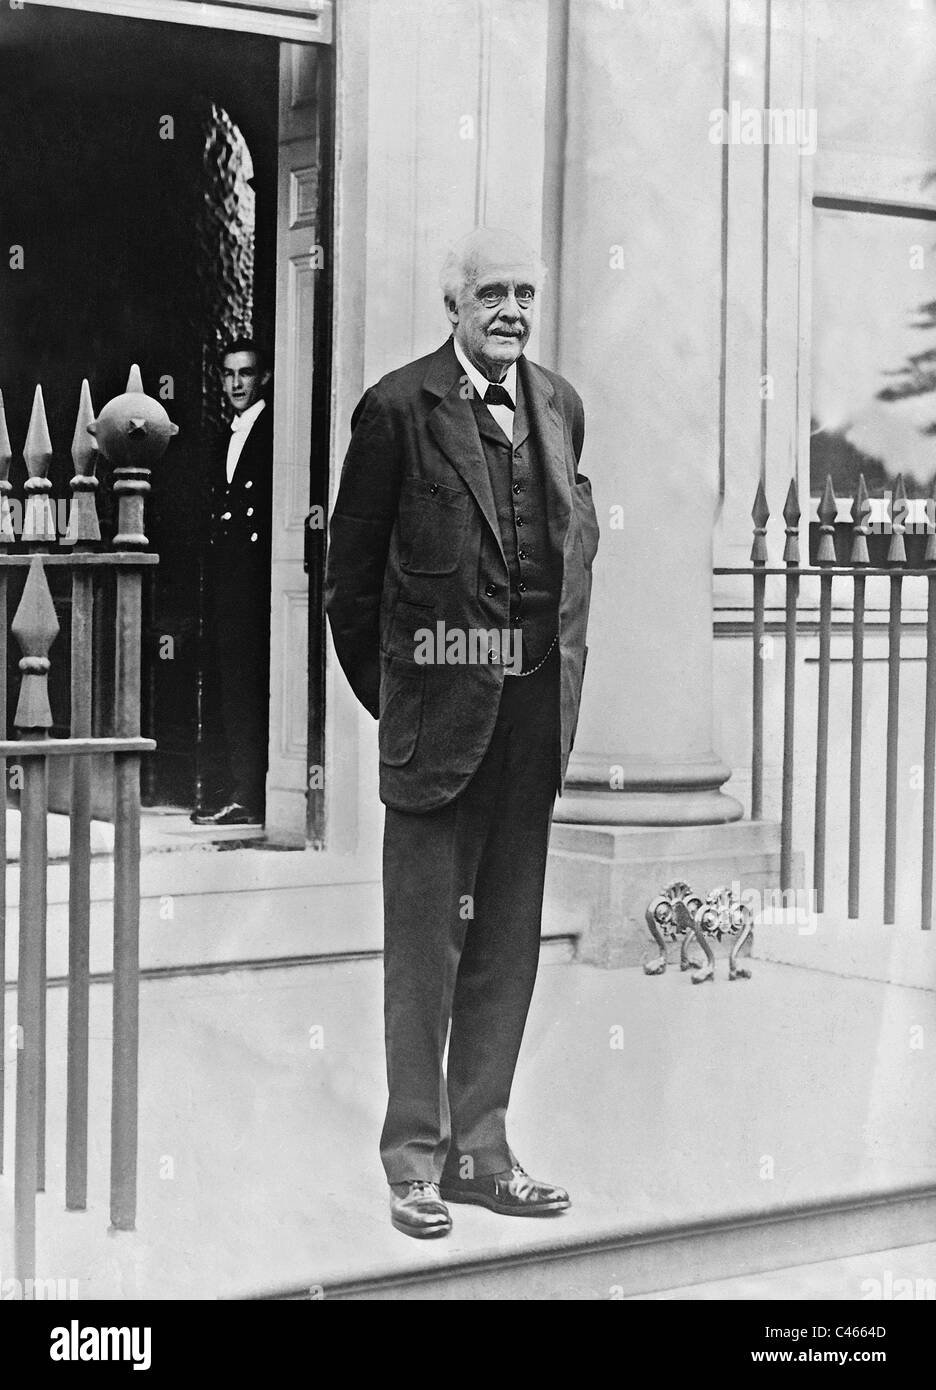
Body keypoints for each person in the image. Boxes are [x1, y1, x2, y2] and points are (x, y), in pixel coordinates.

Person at [325, 228, 600, 1238]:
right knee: (423, 954)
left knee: (504, 945)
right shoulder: (399, 408)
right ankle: (414, 1160)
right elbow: (348, 589)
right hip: (436, 727)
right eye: (492, 292)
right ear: (453, 305)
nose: (513, 310)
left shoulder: (562, 406)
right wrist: (402, 703)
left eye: (526, 291)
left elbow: (571, 553)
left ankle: (483, 1148)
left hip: (531, 724)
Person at [194, 338, 273, 827]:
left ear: (262, 377)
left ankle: (252, 795)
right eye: (228, 374)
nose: (237, 383)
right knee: (227, 683)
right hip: (227, 579)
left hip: (257, 581)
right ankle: (233, 791)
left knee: (247, 685)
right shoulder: (224, 435)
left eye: (245, 373)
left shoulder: (270, 429)